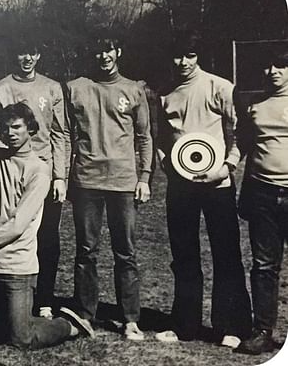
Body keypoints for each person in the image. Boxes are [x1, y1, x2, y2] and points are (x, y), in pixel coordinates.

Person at [0, 102, 95, 348]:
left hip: (17, 268)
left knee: (21, 340)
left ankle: (68, 325)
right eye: (5, 129)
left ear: (31, 129)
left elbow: (17, 226)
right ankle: (12, 321)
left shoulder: (40, 170)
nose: (10, 133)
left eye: (17, 127)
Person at [153, 30, 251, 348]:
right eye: (178, 55)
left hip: (217, 183)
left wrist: (226, 167)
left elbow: (242, 131)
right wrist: (166, 162)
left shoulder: (220, 87)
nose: (183, 62)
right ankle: (184, 325)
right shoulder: (164, 92)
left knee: (226, 253)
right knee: (184, 255)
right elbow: (161, 137)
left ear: (199, 56)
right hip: (180, 186)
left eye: (190, 55)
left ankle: (232, 326)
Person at [63, 37, 152, 341]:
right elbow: (65, 134)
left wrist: (144, 177)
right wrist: (64, 176)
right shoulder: (75, 88)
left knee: (125, 251)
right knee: (86, 251)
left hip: (123, 182)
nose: (103, 56)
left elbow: (144, 137)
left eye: (109, 50)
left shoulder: (134, 89)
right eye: (98, 50)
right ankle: (85, 314)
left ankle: (130, 319)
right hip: (87, 180)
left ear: (118, 52)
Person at [0, 39, 68, 319]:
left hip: (45, 173)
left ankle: (44, 300)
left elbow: (60, 133)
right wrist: (16, 154)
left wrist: (60, 176)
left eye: (32, 52)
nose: (27, 58)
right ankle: (9, 295)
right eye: (21, 52)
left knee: (47, 237)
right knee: (11, 229)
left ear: (38, 55)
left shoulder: (52, 87)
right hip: (12, 171)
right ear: (14, 55)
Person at [233, 49, 288, 355]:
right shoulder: (254, 104)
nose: (273, 71)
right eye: (268, 66)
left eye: (281, 65)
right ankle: (263, 332)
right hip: (263, 194)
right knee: (264, 265)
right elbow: (244, 144)